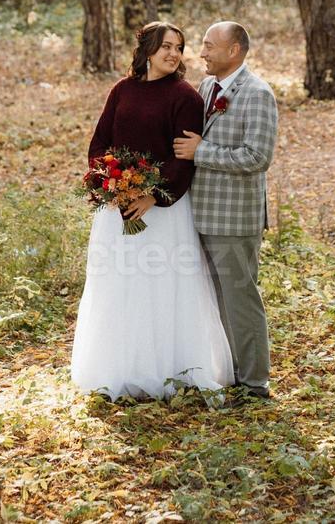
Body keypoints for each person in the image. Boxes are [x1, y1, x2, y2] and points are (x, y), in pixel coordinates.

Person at [71, 21, 234, 402]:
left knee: (160, 286)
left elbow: (183, 160)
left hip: (165, 211)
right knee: (120, 285)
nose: (174, 54)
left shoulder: (184, 97)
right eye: (166, 46)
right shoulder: (121, 90)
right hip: (118, 210)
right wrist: (112, 184)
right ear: (146, 49)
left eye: (179, 47)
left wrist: (152, 197)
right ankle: (121, 366)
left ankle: (167, 369)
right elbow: (100, 143)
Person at [174, 21, 278, 402]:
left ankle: (255, 384)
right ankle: (231, 373)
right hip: (202, 214)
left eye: (208, 45)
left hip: (234, 219)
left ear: (233, 50)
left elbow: (257, 157)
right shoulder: (206, 88)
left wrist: (201, 152)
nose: (201, 52)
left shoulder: (257, 93)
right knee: (217, 300)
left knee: (240, 299)